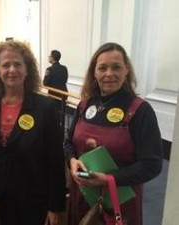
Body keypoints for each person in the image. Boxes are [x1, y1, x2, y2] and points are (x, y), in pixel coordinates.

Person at [64, 42, 163, 225]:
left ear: (126, 71)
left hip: (119, 204)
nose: (109, 74)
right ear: (94, 73)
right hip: (82, 197)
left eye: (116, 67)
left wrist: (110, 179)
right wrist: (72, 161)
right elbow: (69, 142)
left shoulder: (140, 110)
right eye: (102, 68)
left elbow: (153, 164)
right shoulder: (84, 105)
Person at [0, 40, 66, 225]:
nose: (12, 70)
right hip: (1, 198)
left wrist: (55, 206)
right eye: (6, 65)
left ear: (27, 69)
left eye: (18, 64)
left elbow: (56, 160)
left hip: (36, 200)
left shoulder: (46, 107)